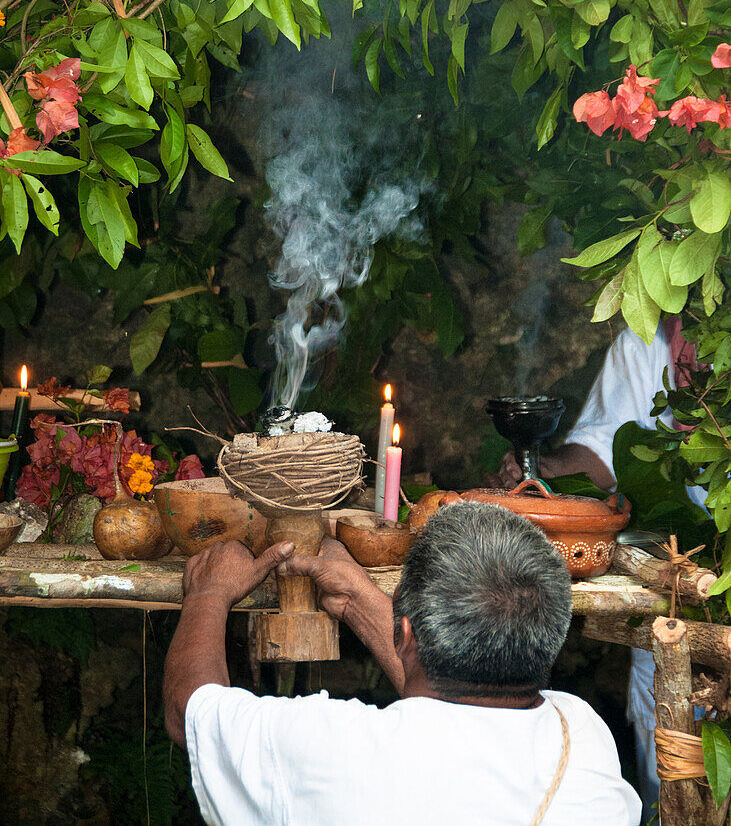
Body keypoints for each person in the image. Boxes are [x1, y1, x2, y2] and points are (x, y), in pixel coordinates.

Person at [164, 502, 641, 826]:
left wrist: (208, 594)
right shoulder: (580, 734)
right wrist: (357, 601)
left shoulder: (333, 749)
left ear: (405, 633)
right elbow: (459, 712)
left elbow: (192, 714)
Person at [495, 319, 699, 819]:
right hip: (670, 599)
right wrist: (541, 469)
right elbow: (607, 450)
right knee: (673, 789)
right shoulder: (647, 341)